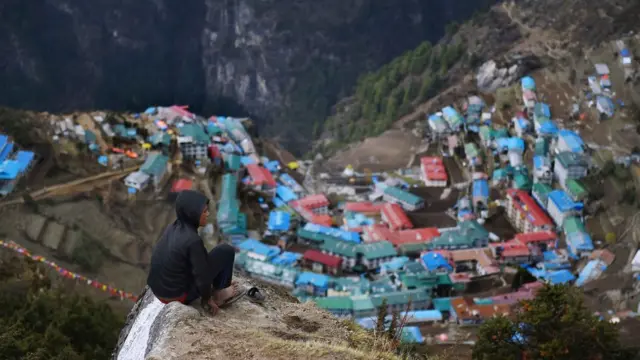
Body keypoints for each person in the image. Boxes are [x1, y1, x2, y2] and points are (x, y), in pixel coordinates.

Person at [147, 190, 243, 315]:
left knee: (205, 259)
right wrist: (207, 298)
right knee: (226, 250)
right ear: (192, 214)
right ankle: (219, 293)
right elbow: (202, 276)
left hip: (160, 291)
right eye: (204, 212)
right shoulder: (192, 240)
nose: (207, 214)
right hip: (177, 296)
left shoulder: (172, 228)